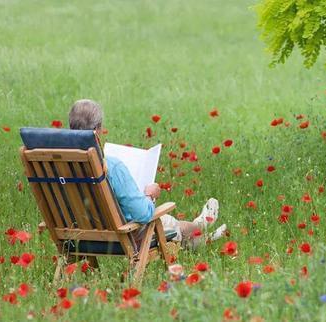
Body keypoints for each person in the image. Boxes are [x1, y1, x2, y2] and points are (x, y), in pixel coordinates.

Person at [68, 99, 226, 248]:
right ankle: (202, 229)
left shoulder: (56, 165)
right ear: (98, 130)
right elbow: (143, 214)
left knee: (170, 225)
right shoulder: (111, 166)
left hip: (78, 235)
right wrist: (150, 195)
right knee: (172, 224)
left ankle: (202, 230)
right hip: (124, 235)